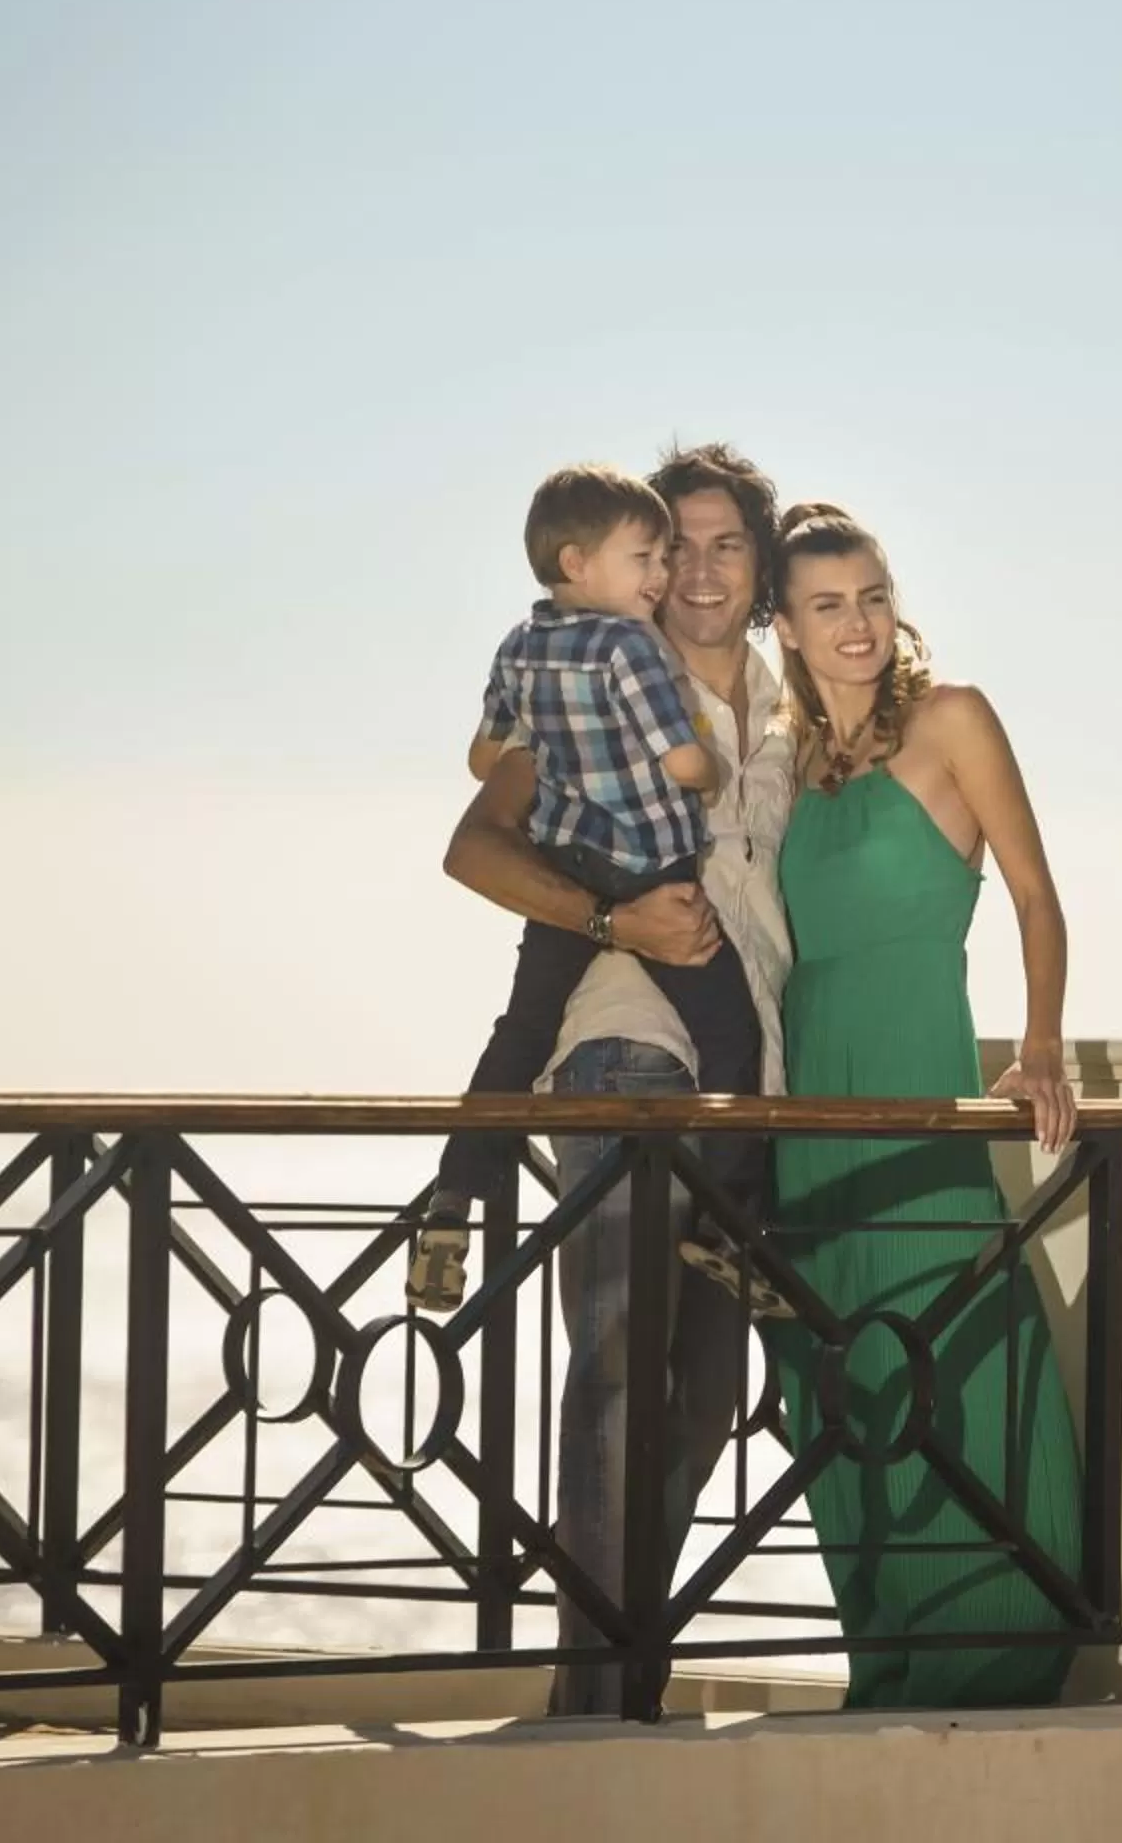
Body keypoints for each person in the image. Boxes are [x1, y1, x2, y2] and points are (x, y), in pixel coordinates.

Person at [436, 442, 797, 1716]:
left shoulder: (789, 702)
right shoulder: (595, 673)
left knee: (705, 1389)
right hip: (629, 1036)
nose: (695, 566)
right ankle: (590, 1695)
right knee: (611, 1367)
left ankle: (625, 1647)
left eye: (726, 544)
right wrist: (612, 920)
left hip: (750, 1060)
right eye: (676, 541)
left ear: (758, 568)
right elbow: (476, 843)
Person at [758, 499, 1083, 1711]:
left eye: (874, 597)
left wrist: (1041, 1045)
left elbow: (1037, 897)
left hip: (917, 1077)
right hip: (809, 1104)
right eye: (829, 606)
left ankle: (996, 1633)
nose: (859, 626)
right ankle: (882, 1645)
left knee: (944, 1343)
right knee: (836, 1377)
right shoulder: (784, 759)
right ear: (785, 627)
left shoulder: (954, 721)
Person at [416, 463, 765, 1310]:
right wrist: (699, 768)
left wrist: (556, 752)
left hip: (574, 856)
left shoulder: (520, 647)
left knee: (519, 1030)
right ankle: (727, 1227)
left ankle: (451, 1203)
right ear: (581, 562)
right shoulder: (631, 649)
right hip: (642, 945)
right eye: (657, 553)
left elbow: (481, 753)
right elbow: (681, 764)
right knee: (733, 1039)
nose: (672, 574)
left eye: (724, 547)